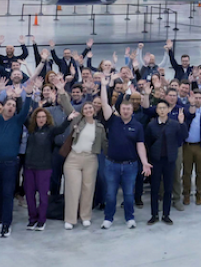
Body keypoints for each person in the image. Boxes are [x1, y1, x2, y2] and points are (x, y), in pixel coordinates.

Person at [0, 82, 32, 238]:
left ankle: (6, 224)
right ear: (2, 106)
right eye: (8, 104)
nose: (11, 107)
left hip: (9, 164)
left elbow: (25, 111)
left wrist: (29, 95)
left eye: (13, 105)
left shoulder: (17, 121)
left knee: (7, 193)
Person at [101, 82, 149, 230]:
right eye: (123, 108)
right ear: (119, 109)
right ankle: (108, 218)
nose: (126, 111)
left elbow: (140, 145)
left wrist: (145, 162)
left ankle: (130, 217)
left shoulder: (138, 126)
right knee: (110, 194)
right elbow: (104, 104)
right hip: (111, 164)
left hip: (130, 165)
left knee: (128, 194)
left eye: (128, 109)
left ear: (132, 110)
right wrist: (104, 85)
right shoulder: (113, 121)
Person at [59, 92, 105, 229]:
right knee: (73, 189)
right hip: (74, 158)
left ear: (94, 110)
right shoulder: (77, 121)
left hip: (90, 159)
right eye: (86, 109)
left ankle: (85, 216)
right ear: (83, 111)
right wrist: (62, 90)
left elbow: (105, 144)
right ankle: (70, 219)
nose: (88, 110)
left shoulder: (100, 127)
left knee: (88, 188)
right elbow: (67, 106)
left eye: (91, 108)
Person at [24, 105, 70, 231]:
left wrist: (69, 119)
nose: (41, 119)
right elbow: (22, 116)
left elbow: (61, 129)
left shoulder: (51, 130)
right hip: (29, 166)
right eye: (39, 117)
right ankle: (32, 218)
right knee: (29, 195)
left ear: (47, 118)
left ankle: (41, 220)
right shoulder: (31, 129)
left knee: (43, 196)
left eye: (43, 117)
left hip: (44, 167)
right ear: (35, 118)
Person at [142, 98, 182, 225]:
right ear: (157, 110)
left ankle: (166, 214)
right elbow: (147, 143)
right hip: (156, 160)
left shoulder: (175, 124)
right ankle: (154, 214)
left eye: (164, 108)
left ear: (168, 110)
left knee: (168, 188)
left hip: (169, 160)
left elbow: (182, 137)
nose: (162, 110)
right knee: (155, 188)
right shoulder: (151, 125)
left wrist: (182, 123)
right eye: (160, 108)